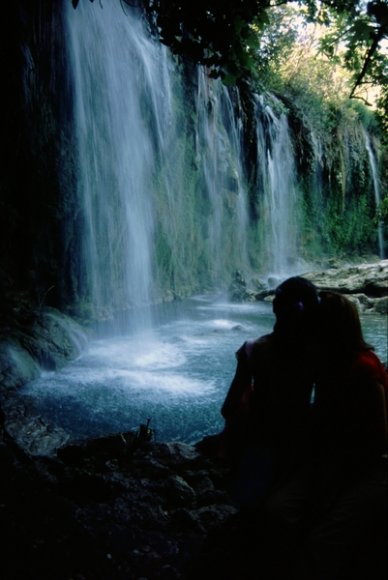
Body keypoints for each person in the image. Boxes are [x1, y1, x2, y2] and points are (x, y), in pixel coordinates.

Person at [262, 291, 388, 580]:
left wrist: (335, 476)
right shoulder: (326, 365)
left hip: (371, 468)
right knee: (277, 511)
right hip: (333, 461)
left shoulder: (363, 369)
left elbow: (379, 439)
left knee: (324, 542)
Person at [219, 275, 320, 508]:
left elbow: (229, 408)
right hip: (301, 443)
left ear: (275, 308)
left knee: (250, 508)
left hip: (259, 441)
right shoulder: (316, 353)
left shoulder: (252, 351)